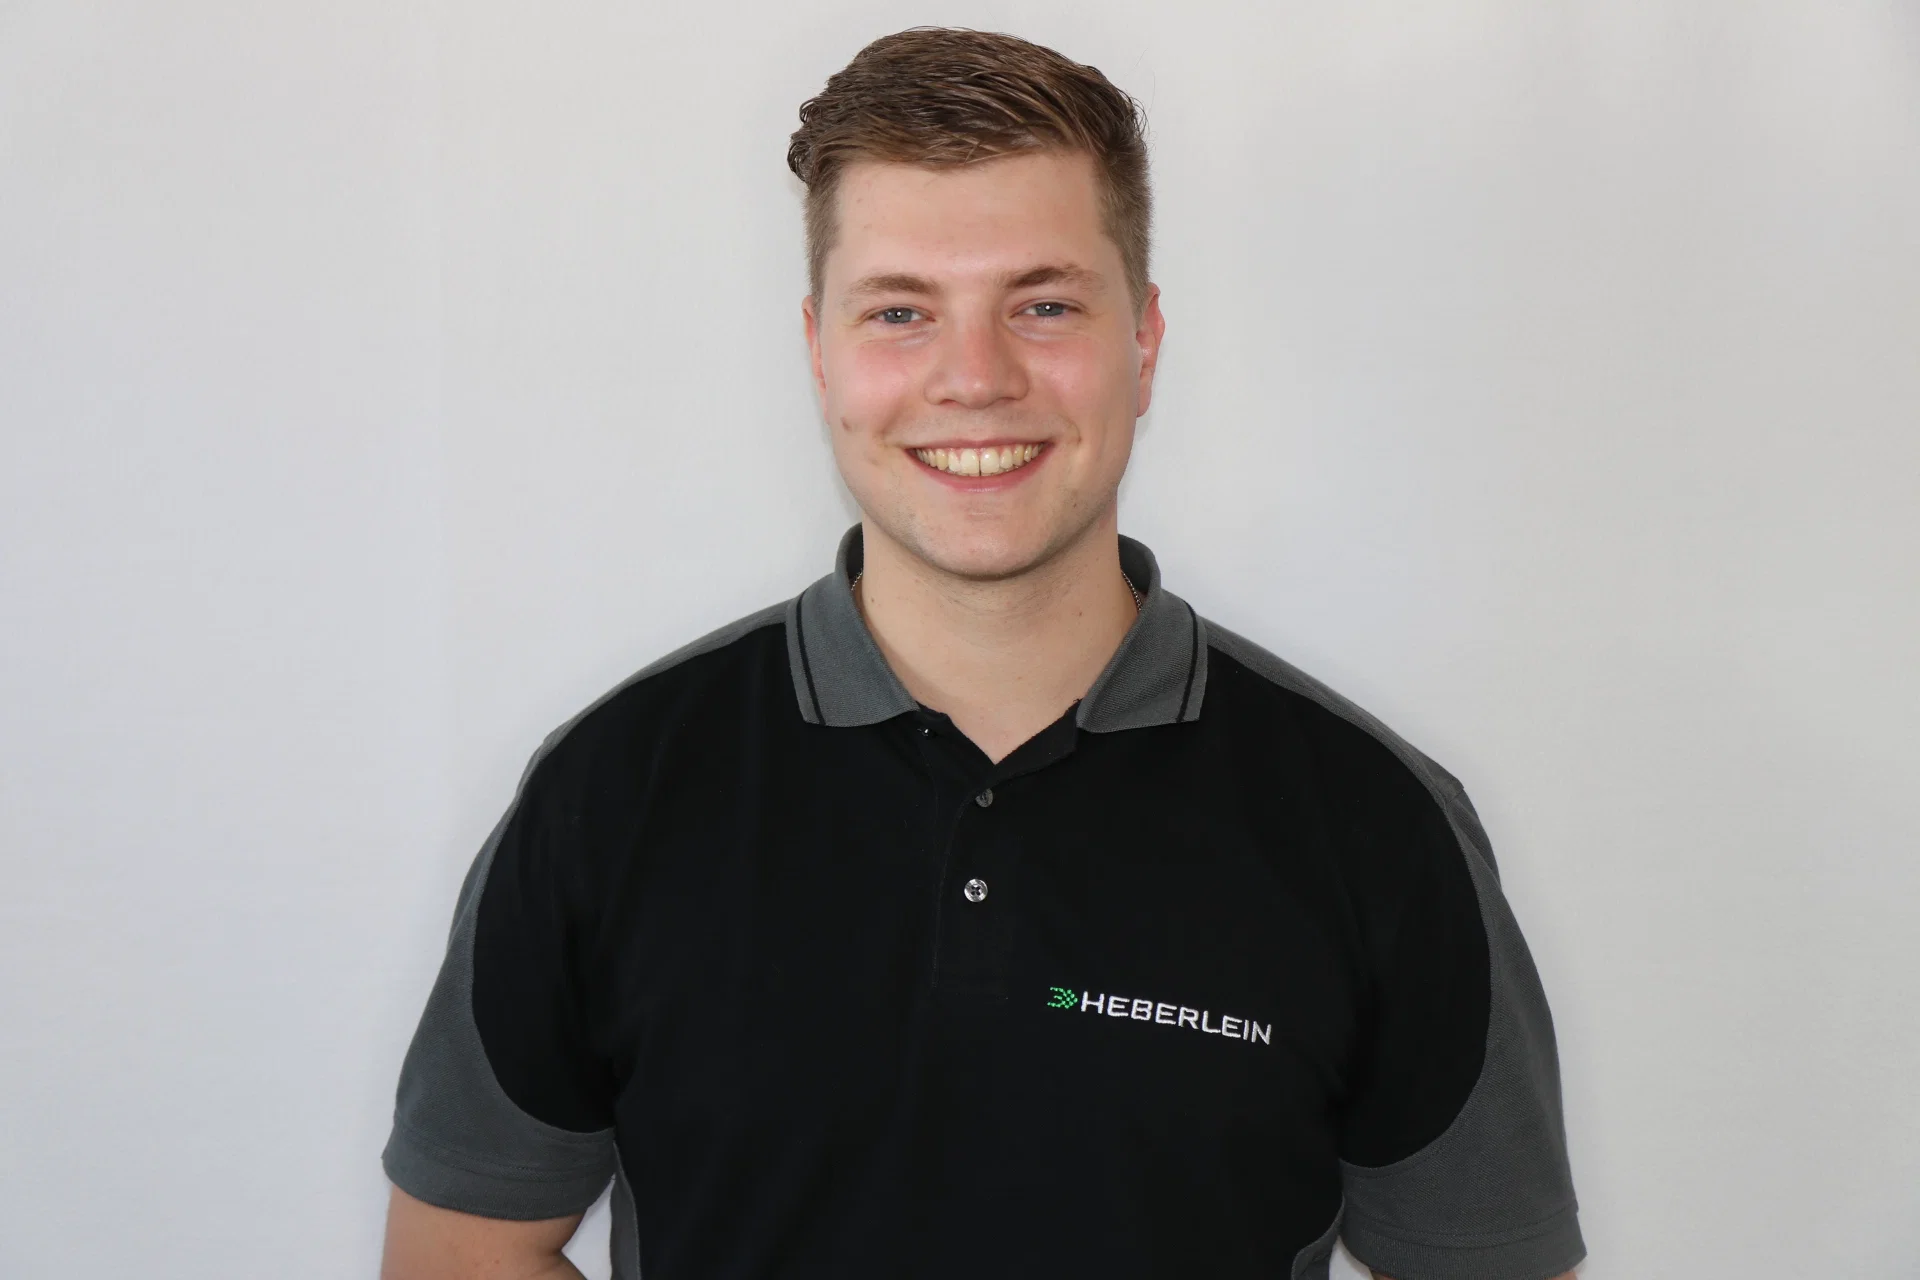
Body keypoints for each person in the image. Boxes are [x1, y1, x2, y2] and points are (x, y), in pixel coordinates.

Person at [379, 28, 1584, 1280]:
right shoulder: (615, 791)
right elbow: (459, 1252)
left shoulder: (1374, 822)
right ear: (820, 352)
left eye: (1044, 305)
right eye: (901, 311)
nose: (974, 378)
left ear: (1144, 343)